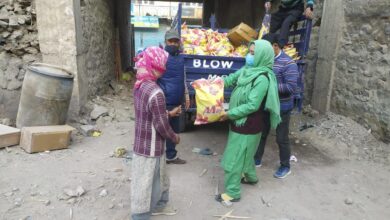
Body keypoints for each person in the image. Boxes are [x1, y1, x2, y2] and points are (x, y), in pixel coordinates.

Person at [216, 40, 281, 204]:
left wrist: (229, 114)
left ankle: (232, 192)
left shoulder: (262, 78)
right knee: (246, 153)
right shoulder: (248, 69)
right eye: (249, 52)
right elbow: (230, 79)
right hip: (239, 123)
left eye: (253, 53)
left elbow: (252, 105)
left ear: (262, 56)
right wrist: (211, 85)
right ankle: (251, 177)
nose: (249, 56)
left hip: (247, 125)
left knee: (234, 158)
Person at [131, 46, 182, 220]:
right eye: (161, 67)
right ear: (155, 66)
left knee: (150, 178)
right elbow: (161, 125)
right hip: (152, 146)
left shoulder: (140, 84)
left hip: (140, 143)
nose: (164, 70)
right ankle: (140, 214)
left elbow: (148, 112)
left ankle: (160, 204)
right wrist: (175, 138)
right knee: (147, 183)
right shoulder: (156, 92)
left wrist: (168, 113)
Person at [254, 33, 299, 179]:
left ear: (275, 46)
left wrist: (269, 87)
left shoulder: (288, 63)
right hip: (266, 106)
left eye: (266, 48)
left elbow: (291, 87)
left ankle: (285, 166)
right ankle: (256, 159)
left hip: (282, 108)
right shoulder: (265, 61)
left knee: (281, 138)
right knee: (261, 134)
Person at [158, 30, 190, 164]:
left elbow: (183, 78)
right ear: (165, 42)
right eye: (170, 41)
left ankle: (171, 155)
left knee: (174, 131)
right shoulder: (160, 57)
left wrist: (186, 95)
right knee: (161, 130)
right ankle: (158, 157)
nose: (173, 44)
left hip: (177, 101)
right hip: (164, 100)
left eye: (176, 41)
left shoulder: (181, 59)